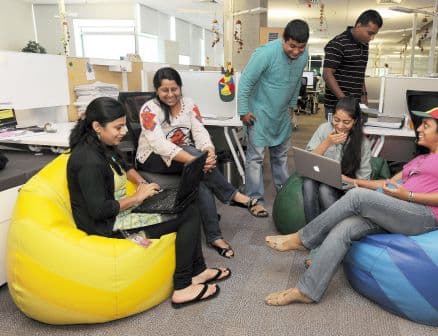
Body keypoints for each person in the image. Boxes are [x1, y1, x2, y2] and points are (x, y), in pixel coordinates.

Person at [264, 107, 438, 306]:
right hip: (398, 210)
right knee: (346, 227)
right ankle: (307, 291)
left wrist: (407, 195)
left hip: (425, 216)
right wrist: (352, 180)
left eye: (426, 125)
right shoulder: (419, 159)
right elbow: (387, 184)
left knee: (356, 198)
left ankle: (303, 238)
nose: (419, 128)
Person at [67, 97, 231, 308]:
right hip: (107, 226)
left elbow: (124, 165)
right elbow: (99, 211)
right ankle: (182, 286)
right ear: (97, 126)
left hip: (118, 212)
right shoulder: (87, 160)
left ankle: (197, 272)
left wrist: (144, 185)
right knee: (186, 214)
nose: (124, 131)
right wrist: (137, 197)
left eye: (124, 124)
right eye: (118, 127)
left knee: (187, 202)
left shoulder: (101, 144)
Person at [136, 67, 254, 259]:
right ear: (157, 90)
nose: (170, 94)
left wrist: (208, 152)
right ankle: (232, 194)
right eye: (164, 90)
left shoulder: (189, 104)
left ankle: (214, 236)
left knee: (200, 181)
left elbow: (200, 132)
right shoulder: (149, 109)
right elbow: (159, 145)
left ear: (180, 87)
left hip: (183, 158)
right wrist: (196, 161)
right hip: (152, 158)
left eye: (174, 89)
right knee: (194, 158)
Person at [238, 19, 310, 217]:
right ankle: (255, 199)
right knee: (256, 158)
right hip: (259, 113)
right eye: (292, 46)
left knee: (281, 156)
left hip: (281, 114)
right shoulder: (266, 53)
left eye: (301, 47)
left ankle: (285, 194)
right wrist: (244, 110)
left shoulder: (304, 56)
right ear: (283, 40)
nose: (296, 52)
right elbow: (245, 81)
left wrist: (293, 106)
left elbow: (296, 82)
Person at [303, 96, 372, 224]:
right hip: (320, 177)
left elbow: (364, 180)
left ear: (355, 121)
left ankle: (334, 230)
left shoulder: (363, 144)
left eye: (346, 122)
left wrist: (346, 180)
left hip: (345, 188)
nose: (340, 126)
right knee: (308, 183)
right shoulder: (324, 129)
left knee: (325, 189)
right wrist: (327, 142)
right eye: (336, 119)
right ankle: (311, 230)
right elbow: (308, 160)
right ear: (332, 116)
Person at [323, 9, 383, 121]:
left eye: (374, 34)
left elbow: (359, 73)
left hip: (356, 105)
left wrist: (364, 95)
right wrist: (344, 100)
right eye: (369, 33)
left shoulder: (364, 45)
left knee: (356, 137)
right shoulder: (338, 43)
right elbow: (327, 74)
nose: (371, 38)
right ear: (359, 26)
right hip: (337, 105)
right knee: (338, 138)